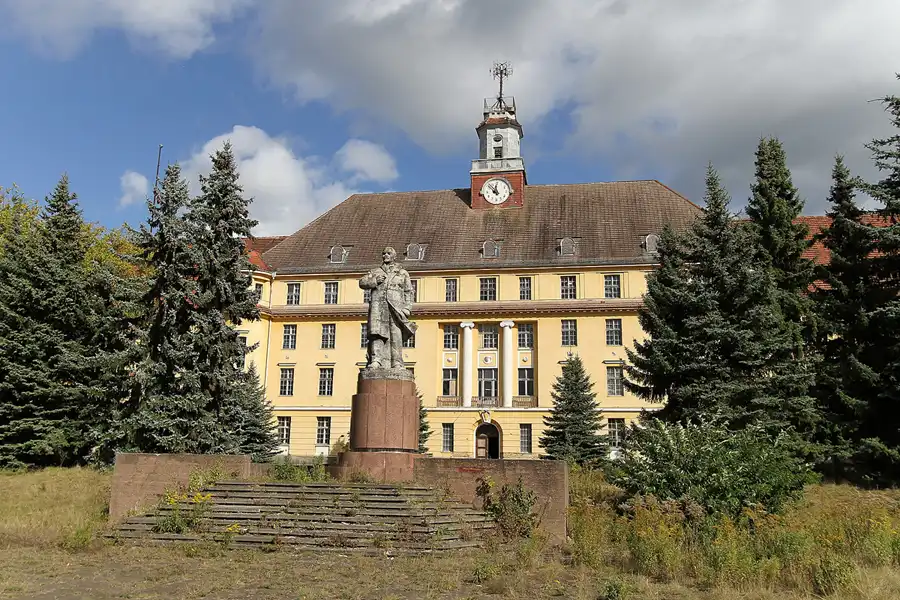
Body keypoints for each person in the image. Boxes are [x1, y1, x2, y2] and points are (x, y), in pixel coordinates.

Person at [359, 247, 417, 370]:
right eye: (383, 253)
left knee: (395, 334)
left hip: (396, 308)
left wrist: (407, 308)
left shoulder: (402, 272)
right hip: (378, 307)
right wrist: (374, 280)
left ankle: (397, 362)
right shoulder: (375, 271)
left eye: (388, 253)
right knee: (377, 334)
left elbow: (409, 291)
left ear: (394, 256)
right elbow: (362, 282)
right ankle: (376, 360)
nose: (385, 255)